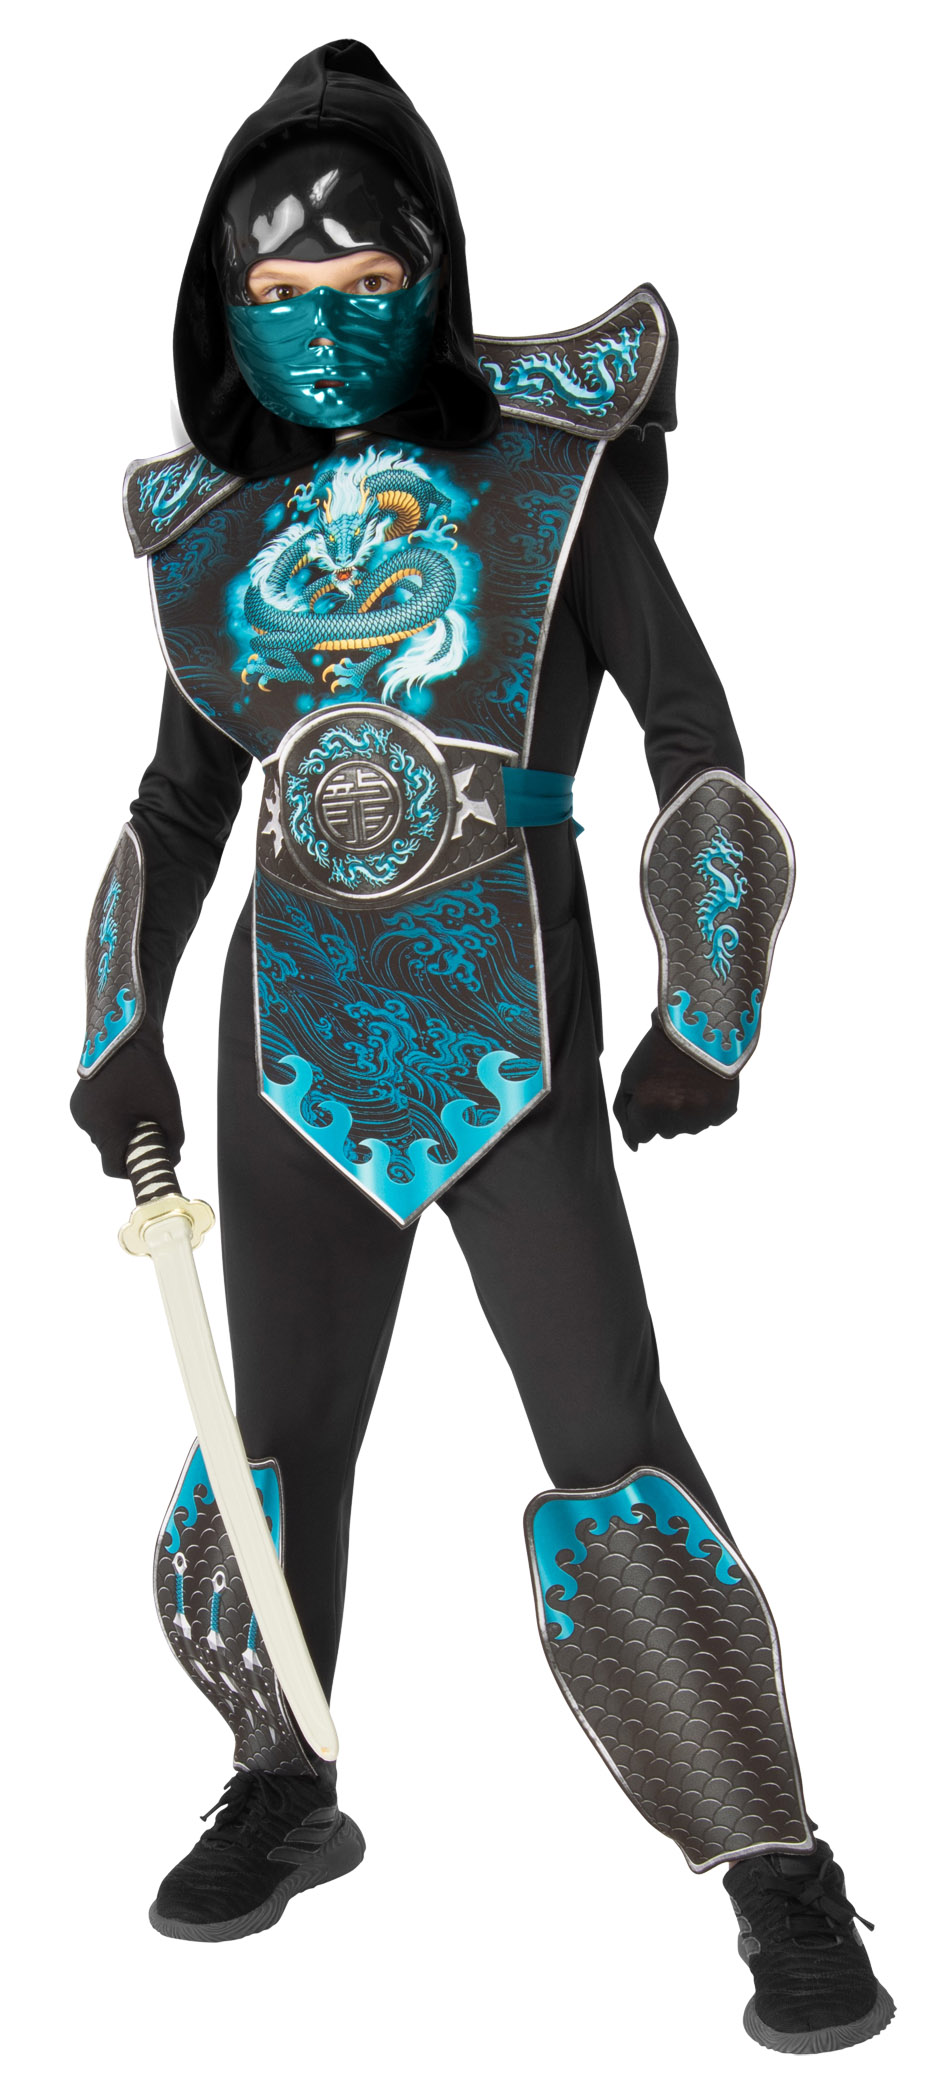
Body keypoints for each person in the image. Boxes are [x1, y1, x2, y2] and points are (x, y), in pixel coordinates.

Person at [71, 38, 892, 2051]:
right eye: (281, 285)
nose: (324, 315)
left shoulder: (550, 468)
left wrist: (707, 1003)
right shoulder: (210, 530)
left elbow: (692, 735)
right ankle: (283, 1780)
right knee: (275, 1441)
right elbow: (181, 806)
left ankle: (776, 1866)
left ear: (433, 274)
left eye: (367, 279)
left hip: (509, 1027)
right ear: (221, 298)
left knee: (610, 1440)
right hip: (289, 1037)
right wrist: (119, 1030)